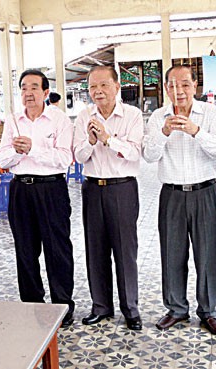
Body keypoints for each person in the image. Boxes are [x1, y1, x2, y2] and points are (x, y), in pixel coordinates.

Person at [142, 64, 216, 335]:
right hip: (172, 195)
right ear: (166, 88)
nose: (178, 90)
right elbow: (148, 155)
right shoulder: (158, 117)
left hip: (205, 192)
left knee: (207, 255)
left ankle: (208, 311)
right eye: (172, 85)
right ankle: (176, 308)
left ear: (195, 86)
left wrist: (196, 131)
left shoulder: (211, 114)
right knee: (172, 254)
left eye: (184, 84)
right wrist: (164, 132)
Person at [0, 70, 75, 328]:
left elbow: (64, 159)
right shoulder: (13, 120)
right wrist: (20, 154)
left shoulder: (59, 120)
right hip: (21, 190)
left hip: (51, 189)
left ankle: (62, 305)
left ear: (44, 92)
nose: (27, 93)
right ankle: (32, 303)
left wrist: (33, 149)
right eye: (23, 88)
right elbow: (4, 159)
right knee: (25, 250)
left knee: (58, 250)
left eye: (33, 88)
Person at [73, 65, 144, 331]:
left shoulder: (132, 115)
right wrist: (91, 141)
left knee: (125, 250)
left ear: (117, 86)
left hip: (122, 188)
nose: (98, 91)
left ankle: (130, 309)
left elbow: (135, 153)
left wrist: (107, 138)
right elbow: (79, 156)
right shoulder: (83, 116)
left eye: (104, 85)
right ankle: (101, 306)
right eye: (93, 86)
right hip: (92, 188)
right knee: (96, 249)